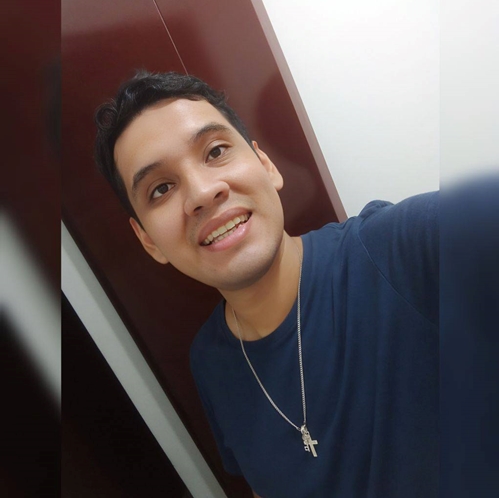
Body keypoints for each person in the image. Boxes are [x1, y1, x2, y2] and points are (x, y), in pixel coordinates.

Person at [94, 71, 438, 498]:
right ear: (148, 239)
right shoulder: (210, 362)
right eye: (161, 188)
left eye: (215, 151)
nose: (202, 193)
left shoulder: (399, 249)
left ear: (266, 165)